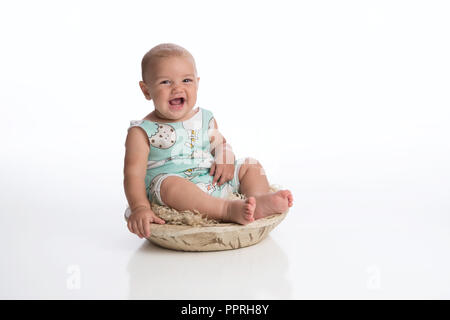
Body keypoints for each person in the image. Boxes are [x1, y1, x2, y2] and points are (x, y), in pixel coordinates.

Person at [123, 43, 293, 239]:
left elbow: (221, 144)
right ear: (146, 90)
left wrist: (225, 156)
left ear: (197, 83)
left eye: (186, 80)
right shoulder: (141, 131)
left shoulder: (205, 118)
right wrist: (140, 207)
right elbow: (133, 176)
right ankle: (227, 209)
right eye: (165, 82)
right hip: (178, 193)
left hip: (213, 181)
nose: (177, 88)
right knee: (170, 185)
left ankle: (259, 201)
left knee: (251, 165)